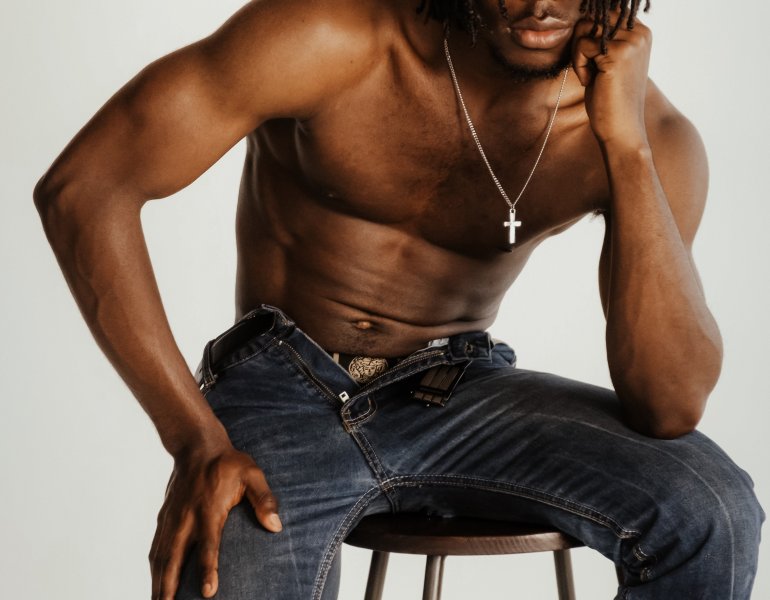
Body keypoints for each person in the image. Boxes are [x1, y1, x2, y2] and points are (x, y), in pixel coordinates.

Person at [34, 0, 763, 598]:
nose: (541, 4)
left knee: (712, 511)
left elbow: (668, 405)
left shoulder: (651, 135)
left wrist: (626, 147)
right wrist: (196, 439)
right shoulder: (330, 32)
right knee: (226, 574)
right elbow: (85, 189)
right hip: (282, 390)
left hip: (456, 390)